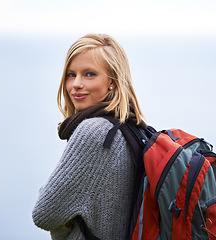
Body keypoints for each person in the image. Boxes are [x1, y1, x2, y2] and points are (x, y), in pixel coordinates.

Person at [32, 33, 146, 240]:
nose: (76, 84)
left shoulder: (94, 133)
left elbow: (44, 214)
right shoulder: (131, 129)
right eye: (71, 74)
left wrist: (64, 222)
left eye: (90, 74)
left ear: (113, 81)